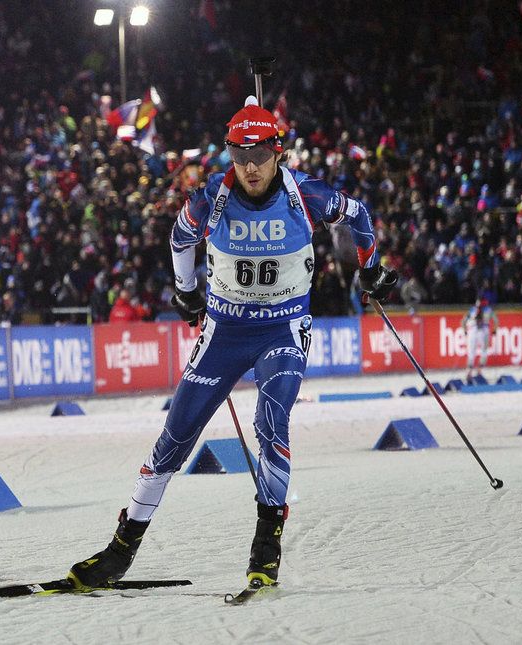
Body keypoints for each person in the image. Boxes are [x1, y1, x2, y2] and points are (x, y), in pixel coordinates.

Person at [67, 96, 398, 592]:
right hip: (223, 331)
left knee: (272, 421)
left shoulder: (304, 194)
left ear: (278, 152)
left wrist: (370, 271)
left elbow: (359, 214)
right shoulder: (209, 200)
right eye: (239, 159)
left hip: (282, 329)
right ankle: (123, 547)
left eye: (259, 157)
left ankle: (267, 543)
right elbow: (180, 241)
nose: (249, 169)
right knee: (175, 437)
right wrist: (185, 292)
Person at [462, 297, 499, 381]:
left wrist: (465, 331)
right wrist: (494, 330)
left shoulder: (472, 309)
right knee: (484, 352)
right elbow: (496, 321)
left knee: (471, 353)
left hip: (472, 331)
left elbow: (463, 321)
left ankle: (469, 372)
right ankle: (479, 371)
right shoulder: (489, 310)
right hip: (483, 331)